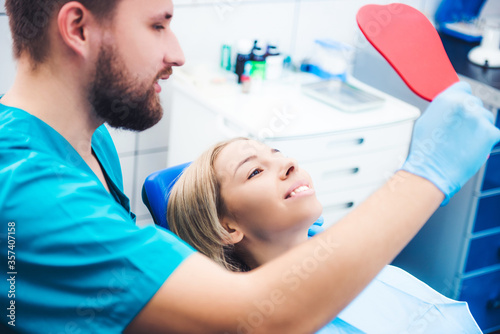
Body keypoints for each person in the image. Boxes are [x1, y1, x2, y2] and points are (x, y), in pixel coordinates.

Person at [0, 0, 498, 332]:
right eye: (158, 25)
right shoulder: (32, 191)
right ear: (77, 28)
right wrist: (427, 173)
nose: (176, 53)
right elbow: (254, 319)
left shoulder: (91, 139)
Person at [167, 137, 482, 333]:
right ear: (227, 228)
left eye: (276, 152)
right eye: (255, 171)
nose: (289, 162)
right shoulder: (265, 323)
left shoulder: (362, 267)